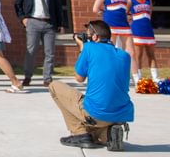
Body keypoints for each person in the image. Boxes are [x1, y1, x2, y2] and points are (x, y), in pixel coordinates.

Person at [48, 20, 134, 151]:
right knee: (98, 115)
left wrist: (82, 49)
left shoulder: (88, 48)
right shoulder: (124, 55)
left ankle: (79, 134)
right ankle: (107, 134)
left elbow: (79, 78)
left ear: (95, 37)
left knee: (54, 86)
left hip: (95, 113)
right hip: (119, 114)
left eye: (88, 35)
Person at [14, 0, 66, 86]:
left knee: (49, 52)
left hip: (49, 23)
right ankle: (27, 76)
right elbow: (17, 4)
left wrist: (61, 23)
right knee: (31, 50)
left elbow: (57, 6)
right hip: (33, 22)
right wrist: (23, 18)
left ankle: (47, 78)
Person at [92, 0, 134, 68]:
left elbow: (126, 7)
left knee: (129, 51)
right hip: (111, 23)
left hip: (123, 23)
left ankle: (130, 73)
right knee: (110, 48)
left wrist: (128, 15)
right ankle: (109, 70)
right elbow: (95, 8)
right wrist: (104, 12)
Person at [127, 0, 158, 84]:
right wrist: (130, 19)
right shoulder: (131, 1)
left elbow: (150, 14)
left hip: (148, 30)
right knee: (138, 55)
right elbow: (125, 14)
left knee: (151, 54)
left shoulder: (148, 0)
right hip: (137, 30)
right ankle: (139, 78)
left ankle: (155, 77)